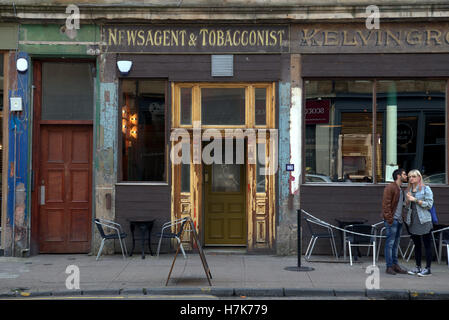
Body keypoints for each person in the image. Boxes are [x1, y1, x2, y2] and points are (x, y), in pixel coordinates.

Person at [405, 169, 434, 277]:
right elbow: (406, 206)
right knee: (417, 245)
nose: (411, 179)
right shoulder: (408, 190)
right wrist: (407, 201)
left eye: (413, 176)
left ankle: (428, 268)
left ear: (419, 177)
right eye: (409, 177)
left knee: (427, 244)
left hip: (424, 220)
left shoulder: (426, 189)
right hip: (412, 220)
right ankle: (418, 267)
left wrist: (415, 200)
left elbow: (429, 204)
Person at [382, 168, 408, 275]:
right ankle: (389, 266)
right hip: (393, 221)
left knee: (395, 244)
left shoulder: (400, 189)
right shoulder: (390, 187)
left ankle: (395, 265)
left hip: (399, 221)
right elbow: (386, 205)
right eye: (404, 174)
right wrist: (390, 220)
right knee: (390, 244)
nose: (406, 176)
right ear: (398, 176)